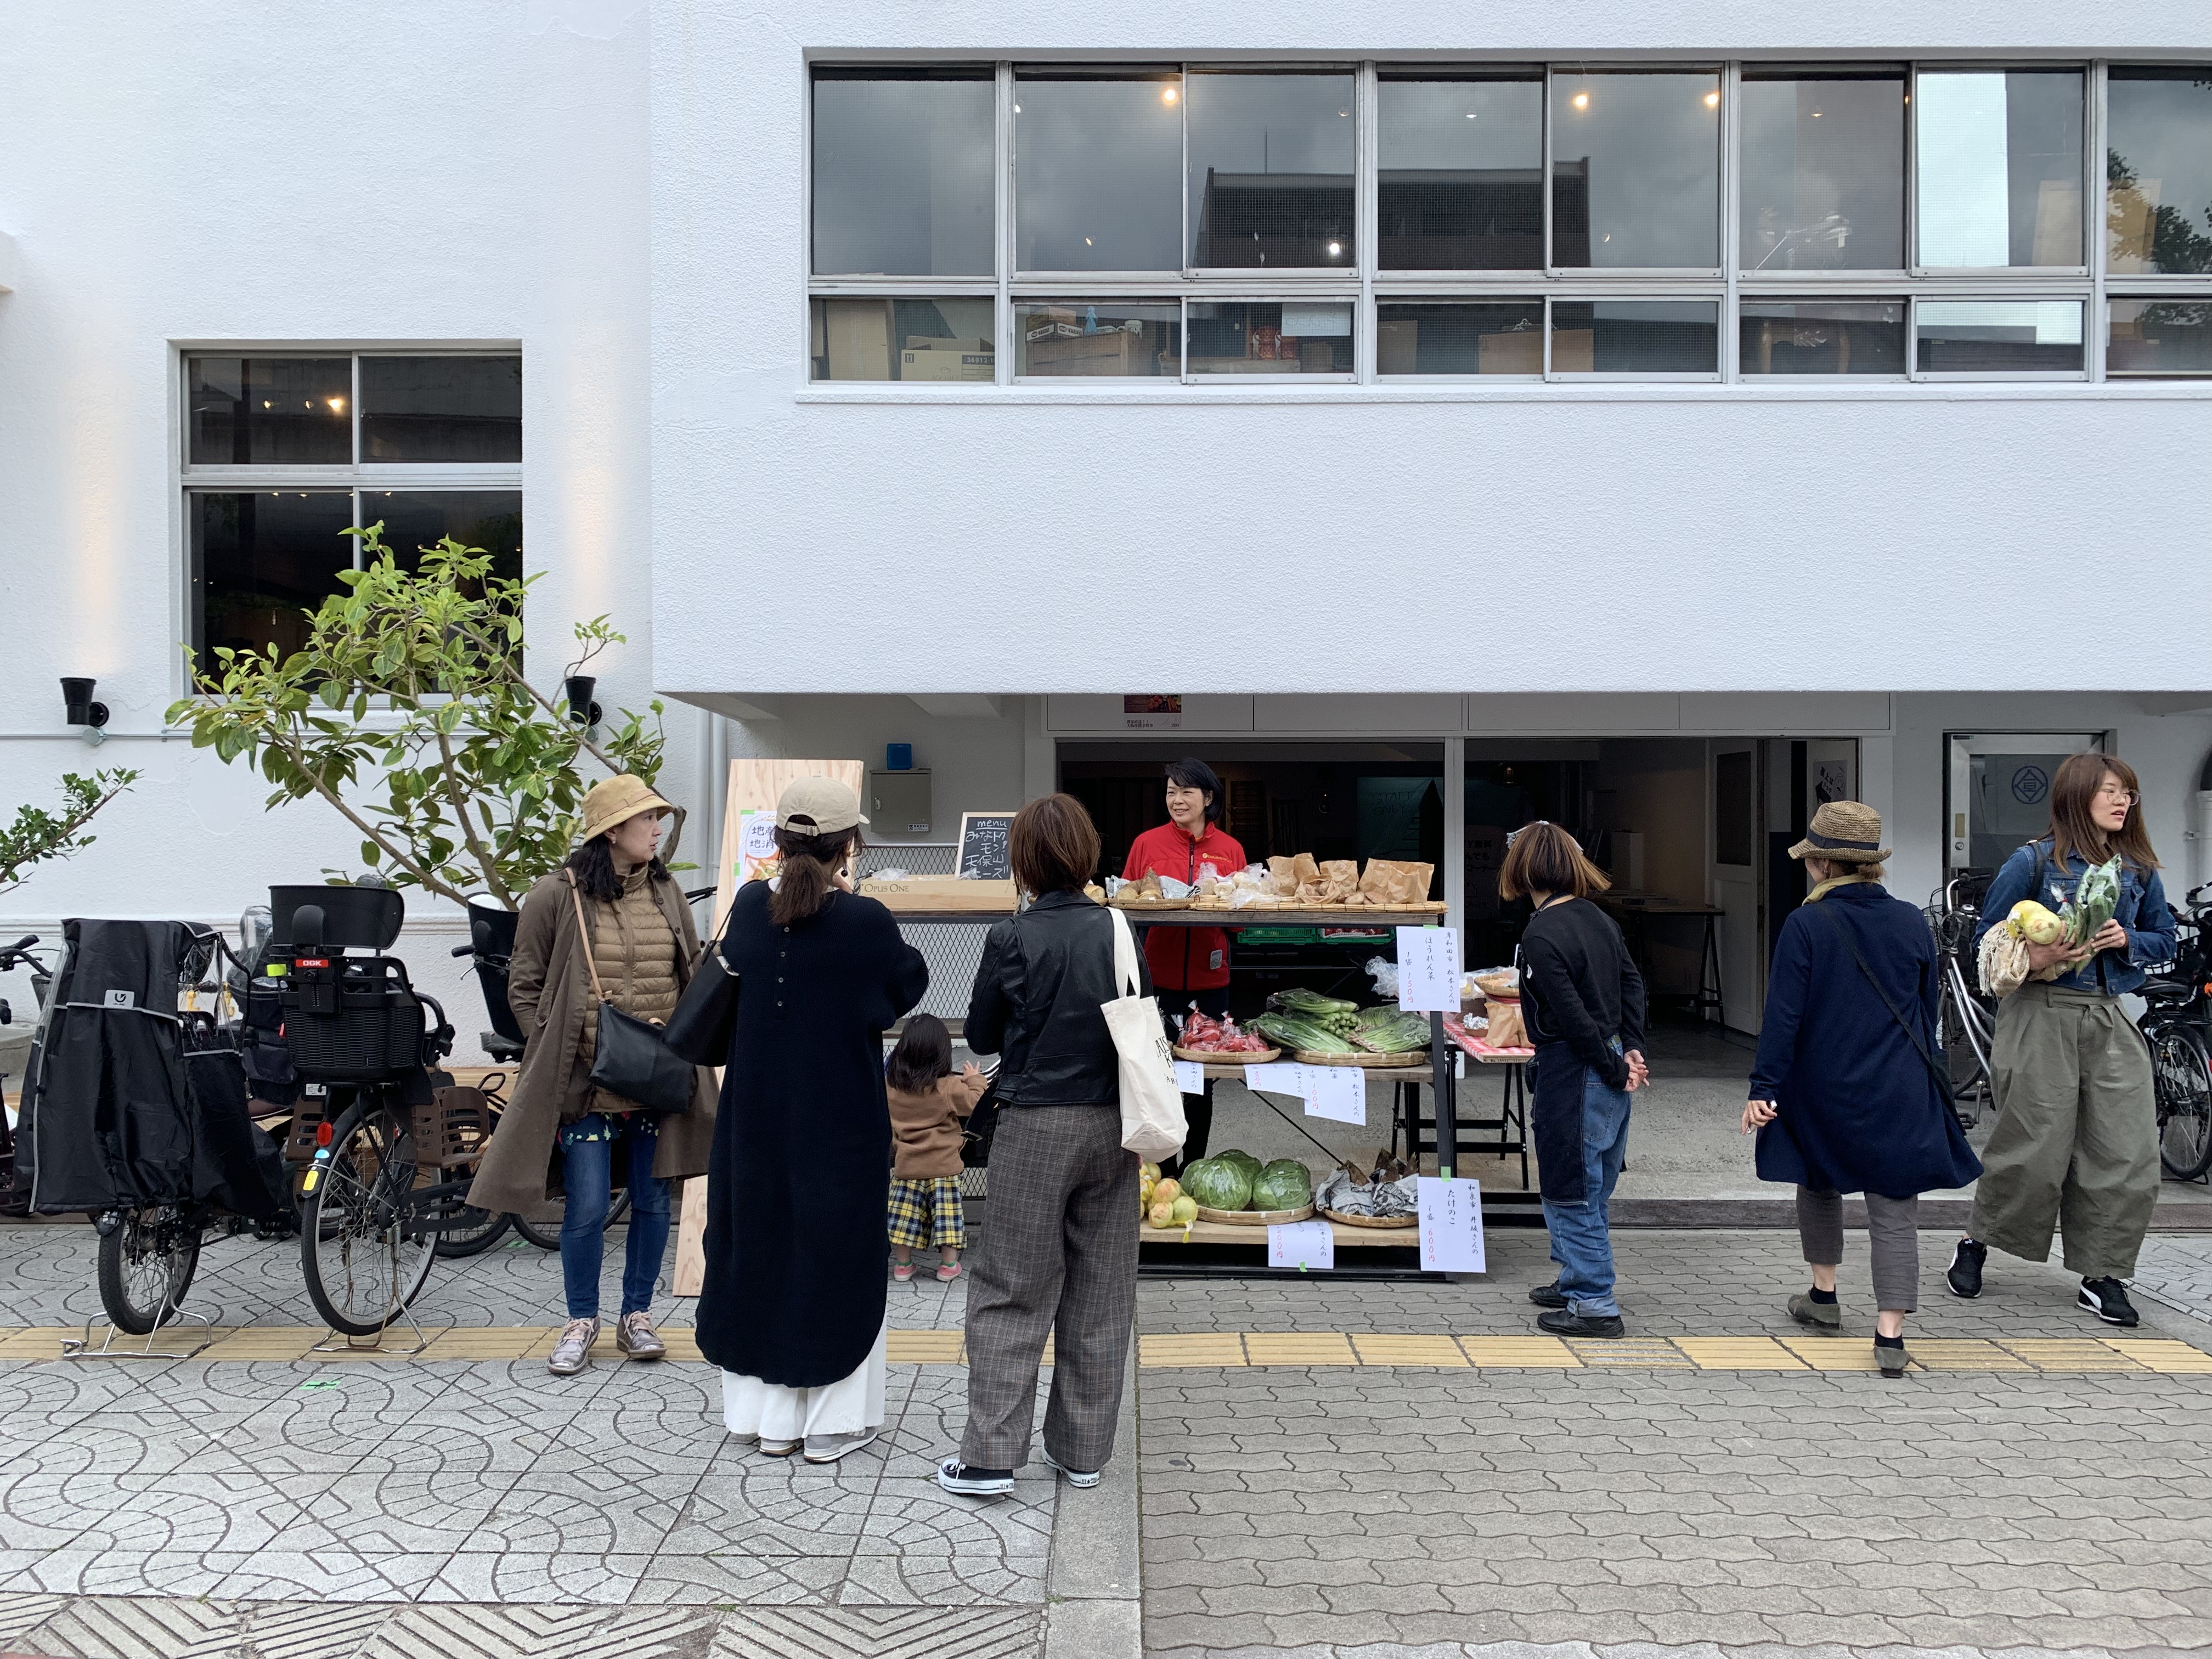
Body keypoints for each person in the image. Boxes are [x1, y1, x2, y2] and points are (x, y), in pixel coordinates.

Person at [695, 777, 928, 1462]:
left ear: (779, 840)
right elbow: (906, 983)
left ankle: (760, 1420)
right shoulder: (865, 922)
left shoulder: (747, 906)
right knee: (836, 1256)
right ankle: (831, 1423)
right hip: (839, 1121)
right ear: (848, 844)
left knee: (755, 1250)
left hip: (752, 1119)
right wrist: (852, 901)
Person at [470, 774, 719, 1377]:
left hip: (656, 1076)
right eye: (646, 819)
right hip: (586, 1082)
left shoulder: (666, 891)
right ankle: (581, 1320)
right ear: (612, 831)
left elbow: (689, 971)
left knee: (653, 1201)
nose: (657, 830)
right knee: (585, 1205)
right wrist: (550, 1042)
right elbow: (523, 984)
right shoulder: (557, 894)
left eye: (658, 818)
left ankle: (637, 1316)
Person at [939, 794, 1149, 1498]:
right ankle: (1083, 1452)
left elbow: (983, 1034)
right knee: (1102, 1288)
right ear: (1086, 853)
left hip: (1034, 1124)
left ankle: (992, 1457)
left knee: (1012, 1288)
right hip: (1113, 1122)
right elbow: (1141, 1018)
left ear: (1024, 860)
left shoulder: (1013, 935)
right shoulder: (1119, 927)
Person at [1741, 802, 1983, 1378]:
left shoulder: (1806, 924)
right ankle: (1890, 1336)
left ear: (1824, 864)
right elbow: (1926, 1011)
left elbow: (1784, 1017)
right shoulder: (1910, 921)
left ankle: (1824, 1296)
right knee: (1895, 1208)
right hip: (1899, 1086)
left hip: (1822, 1087)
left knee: (1817, 1179)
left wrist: (1764, 1087)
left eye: (1811, 860)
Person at [1948, 754, 2175, 1326]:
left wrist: (2129, 940)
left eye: (2128, 793)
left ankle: (2102, 1275)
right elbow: (1985, 940)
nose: (2122, 802)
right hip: (2039, 1012)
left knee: (2127, 1153)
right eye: (2110, 791)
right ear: (2077, 796)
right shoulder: (2031, 862)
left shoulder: (2138, 868)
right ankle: (1977, 1241)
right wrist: (2038, 953)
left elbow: (2165, 938)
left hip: (2109, 1014)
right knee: (2034, 1149)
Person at [1504, 822, 1648, 1339]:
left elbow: (1569, 1016)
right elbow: (1632, 984)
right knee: (1593, 1184)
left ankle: (1593, 1303)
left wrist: (1613, 1067)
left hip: (1576, 1070)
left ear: (1521, 870)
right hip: (1607, 1061)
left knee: (1573, 1188)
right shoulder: (1598, 918)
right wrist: (1631, 1049)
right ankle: (1573, 1279)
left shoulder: (1541, 933)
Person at [1121, 757, 1244, 1174]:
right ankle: (1163, 1172)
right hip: (1157, 981)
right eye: (1171, 791)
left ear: (1208, 797)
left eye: (1186, 791)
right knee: (1157, 1079)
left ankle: (1193, 1168)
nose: (1177, 800)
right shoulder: (1147, 844)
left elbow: (1240, 922)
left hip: (1211, 984)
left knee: (1202, 1082)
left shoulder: (1230, 850)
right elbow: (1127, 906)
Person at [885, 1012, 986, 1283]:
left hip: (907, 1166)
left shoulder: (891, 1087)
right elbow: (977, 1103)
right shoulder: (948, 1087)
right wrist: (975, 1079)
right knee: (947, 1217)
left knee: (904, 1218)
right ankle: (948, 1265)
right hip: (944, 1167)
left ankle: (903, 1266)